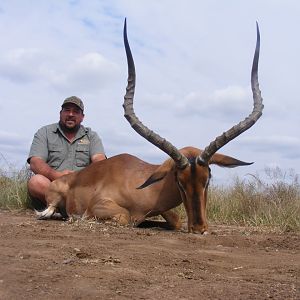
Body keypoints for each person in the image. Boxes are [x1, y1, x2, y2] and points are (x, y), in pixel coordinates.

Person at [27, 96, 106, 209]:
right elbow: (35, 162)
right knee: (36, 182)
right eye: (67, 110)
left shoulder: (92, 136)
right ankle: (73, 208)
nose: (70, 114)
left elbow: (100, 161)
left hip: (82, 188)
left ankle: (63, 208)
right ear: (61, 113)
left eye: (76, 112)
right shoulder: (45, 132)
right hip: (54, 186)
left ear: (82, 117)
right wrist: (56, 175)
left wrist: (79, 178)